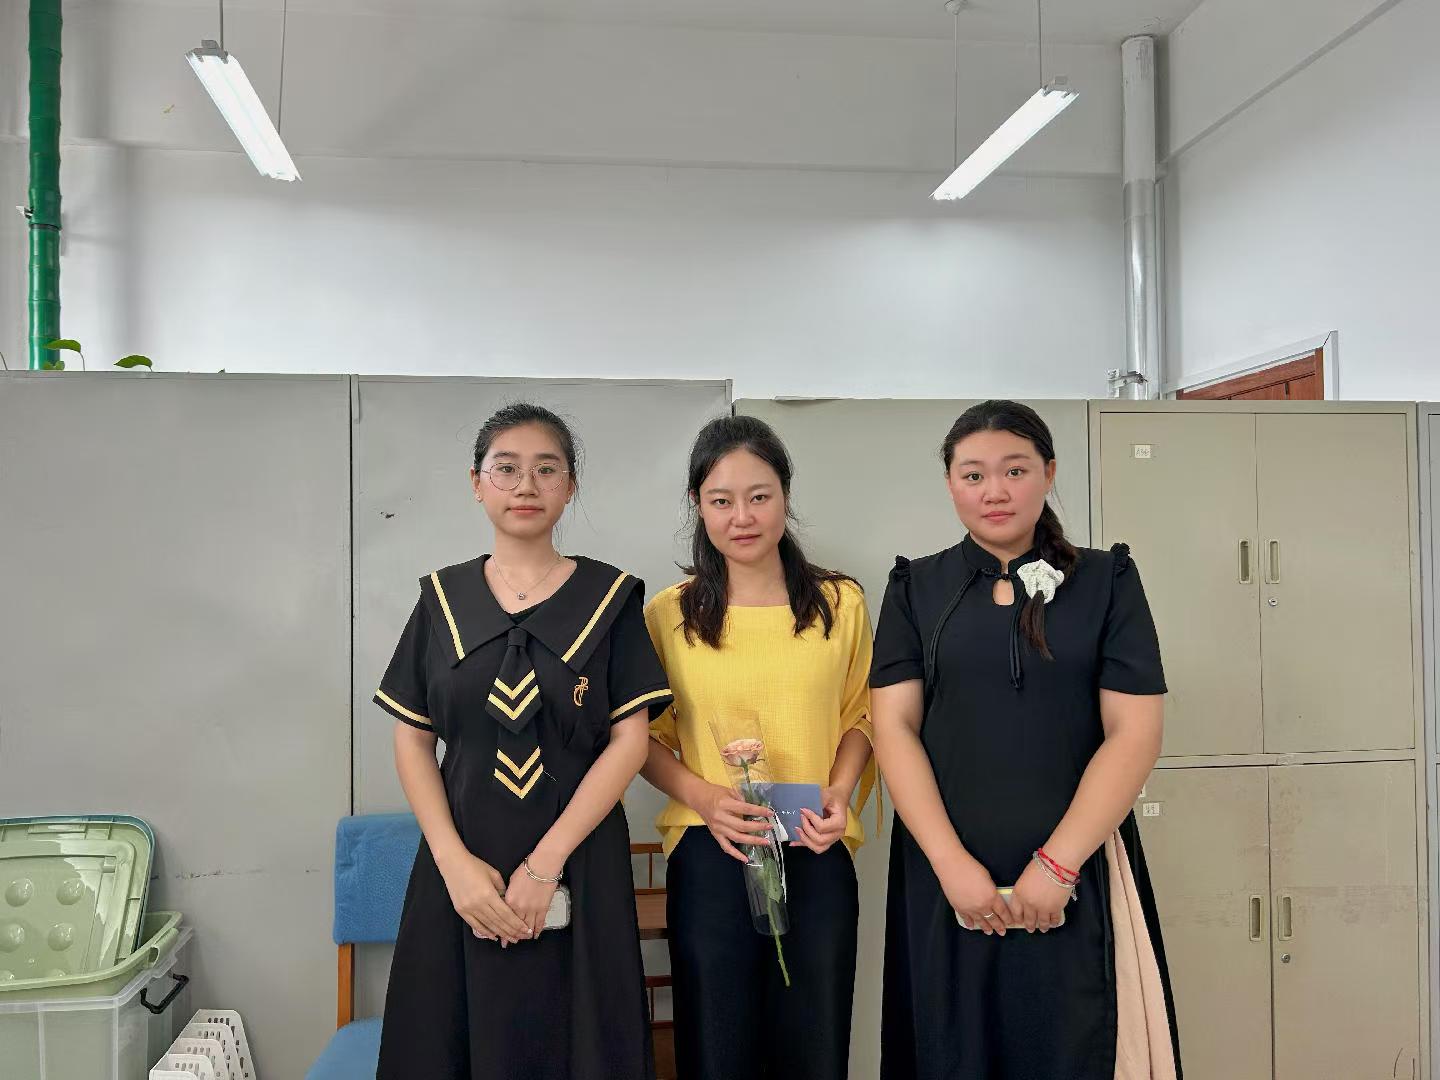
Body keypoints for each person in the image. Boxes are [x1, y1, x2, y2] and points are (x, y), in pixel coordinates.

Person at [871, 399, 1180, 1080]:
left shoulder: (1106, 580)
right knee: (954, 1051)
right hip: (947, 876)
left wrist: (1059, 865)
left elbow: (1135, 731)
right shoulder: (915, 588)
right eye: (973, 475)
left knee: (1076, 1046)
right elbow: (892, 727)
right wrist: (951, 864)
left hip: (1078, 869)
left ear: (1049, 473)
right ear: (950, 483)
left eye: (1015, 470)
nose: (996, 491)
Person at [373, 402, 672, 1080]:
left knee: (581, 1040)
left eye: (546, 469)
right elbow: (413, 741)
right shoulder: (441, 602)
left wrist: (545, 865)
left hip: (580, 860)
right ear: (476, 484)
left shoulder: (611, 600)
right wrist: (453, 864)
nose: (525, 486)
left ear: (571, 486)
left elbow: (629, 742)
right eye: (506, 469)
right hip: (462, 861)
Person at [640, 414, 878, 1080]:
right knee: (717, 1043)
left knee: (815, 1038)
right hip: (712, 847)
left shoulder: (840, 604)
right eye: (721, 500)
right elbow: (643, 739)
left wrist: (839, 792)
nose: (741, 517)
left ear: (785, 496)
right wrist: (704, 798)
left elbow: (863, 714)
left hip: (814, 840)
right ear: (698, 505)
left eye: (759, 496)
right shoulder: (669, 613)